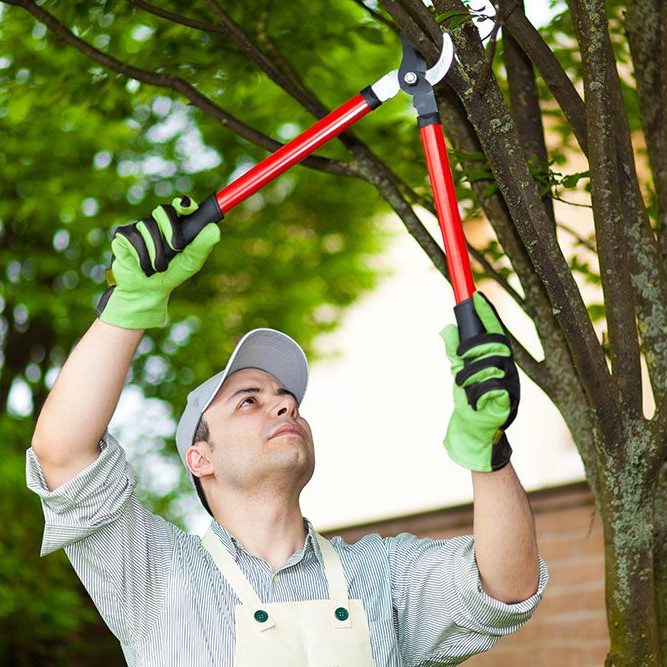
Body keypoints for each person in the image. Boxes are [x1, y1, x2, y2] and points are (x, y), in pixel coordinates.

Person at [27, 198, 548, 666]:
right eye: (248, 401)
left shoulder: (383, 575)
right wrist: (130, 306)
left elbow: (505, 585)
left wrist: (491, 453)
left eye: (287, 399)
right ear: (199, 459)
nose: (281, 404)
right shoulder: (155, 574)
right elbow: (64, 454)